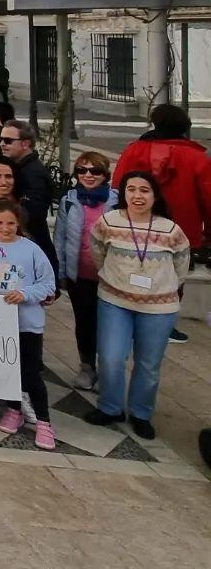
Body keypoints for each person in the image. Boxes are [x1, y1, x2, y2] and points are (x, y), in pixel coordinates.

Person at [84, 171, 192, 439]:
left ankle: (141, 413)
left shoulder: (170, 229)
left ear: (155, 196)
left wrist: (160, 288)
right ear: (124, 194)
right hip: (114, 300)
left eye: (144, 190)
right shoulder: (109, 221)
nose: (137, 195)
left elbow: (181, 266)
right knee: (110, 357)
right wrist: (115, 279)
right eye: (131, 189)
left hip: (159, 307)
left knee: (148, 363)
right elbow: (97, 252)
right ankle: (110, 407)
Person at [111, 103, 211, 345]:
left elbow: (117, 186)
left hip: (136, 225)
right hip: (181, 229)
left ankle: (132, 320)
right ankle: (165, 325)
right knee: (174, 277)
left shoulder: (135, 150)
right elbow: (208, 198)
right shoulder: (197, 158)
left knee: (134, 270)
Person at [0, 197, 58, 449]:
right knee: (7, 369)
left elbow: (48, 283)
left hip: (26, 322)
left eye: (10, 224)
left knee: (30, 373)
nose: (5, 228)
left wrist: (26, 294)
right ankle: (13, 408)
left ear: (19, 223)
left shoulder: (31, 249)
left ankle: (44, 422)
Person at [53, 151, 118, 390]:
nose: (88, 175)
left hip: (110, 278)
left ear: (105, 174)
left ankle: (108, 369)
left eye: (95, 171)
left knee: (109, 324)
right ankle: (87, 366)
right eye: (82, 170)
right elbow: (60, 237)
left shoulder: (116, 201)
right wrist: (60, 272)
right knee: (85, 322)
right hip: (79, 275)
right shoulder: (69, 200)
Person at [0, 121, 59, 276]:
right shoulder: (18, 167)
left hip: (32, 247)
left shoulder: (34, 173)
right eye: (1, 140)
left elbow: (33, 213)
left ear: (25, 144)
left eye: (8, 141)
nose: (2, 144)